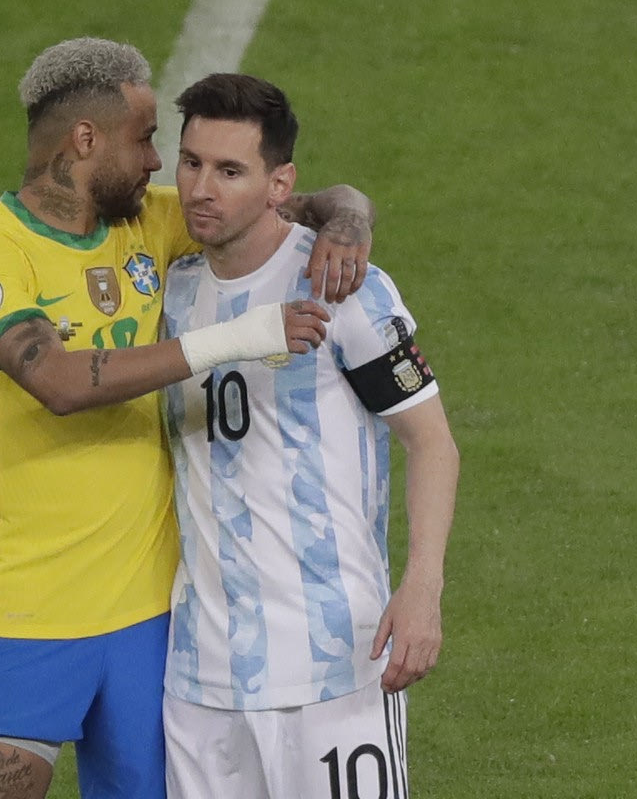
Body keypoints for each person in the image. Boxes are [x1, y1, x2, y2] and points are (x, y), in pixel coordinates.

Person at [0, 38, 375, 799]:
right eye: (143, 139)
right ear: (85, 139)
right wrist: (242, 338)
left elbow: (312, 199)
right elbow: (60, 382)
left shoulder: (152, 224)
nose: (156, 162)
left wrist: (350, 222)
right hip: (25, 608)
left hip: (153, 624)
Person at [157, 74, 460, 798]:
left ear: (280, 184)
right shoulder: (167, 290)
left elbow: (431, 442)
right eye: (191, 162)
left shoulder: (342, 285)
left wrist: (423, 587)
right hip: (199, 681)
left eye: (230, 171)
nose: (202, 188)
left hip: (333, 667)